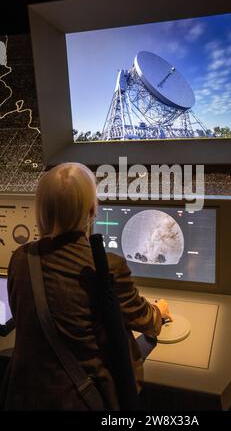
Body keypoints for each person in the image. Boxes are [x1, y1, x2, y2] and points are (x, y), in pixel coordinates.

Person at [0, 162, 172, 410]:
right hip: (81, 400)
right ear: (91, 210)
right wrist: (159, 312)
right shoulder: (106, 267)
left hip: (25, 396)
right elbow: (142, 319)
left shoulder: (20, 259)